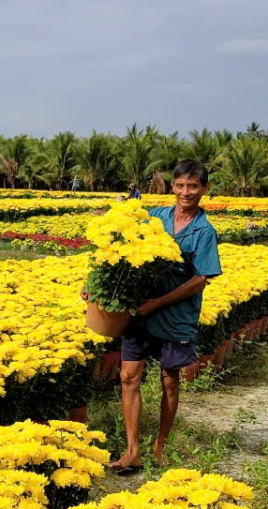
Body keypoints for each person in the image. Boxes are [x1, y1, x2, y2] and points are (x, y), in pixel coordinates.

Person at [98, 159, 222, 470]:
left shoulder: (204, 231)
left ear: (205, 188)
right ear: (172, 186)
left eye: (193, 186)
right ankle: (132, 451)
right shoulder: (155, 217)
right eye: (180, 185)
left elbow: (199, 280)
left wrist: (159, 302)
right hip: (141, 313)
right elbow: (123, 242)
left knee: (169, 381)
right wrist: (99, 284)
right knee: (128, 376)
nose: (186, 192)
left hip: (174, 317)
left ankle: (160, 445)